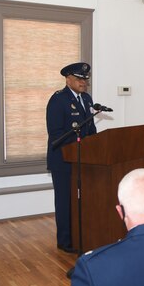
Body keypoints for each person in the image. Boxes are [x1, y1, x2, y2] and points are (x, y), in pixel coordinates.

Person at [46, 62, 97, 254]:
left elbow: (91, 129)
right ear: (68, 79)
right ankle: (65, 241)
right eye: (79, 79)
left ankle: (81, 236)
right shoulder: (58, 100)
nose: (83, 82)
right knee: (65, 201)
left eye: (85, 79)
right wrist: (79, 146)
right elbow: (56, 133)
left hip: (84, 160)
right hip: (63, 160)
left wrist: (94, 145)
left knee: (82, 201)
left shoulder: (88, 99)